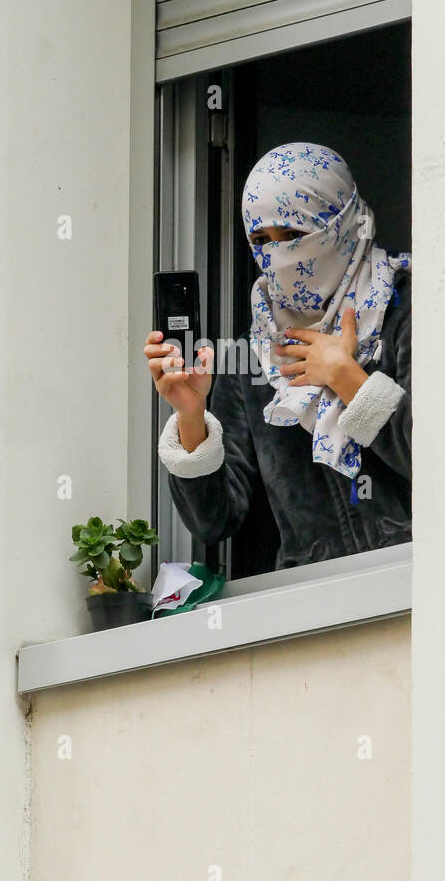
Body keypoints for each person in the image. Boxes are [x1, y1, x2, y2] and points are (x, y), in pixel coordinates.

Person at [144, 143, 411, 570]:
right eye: (260, 240)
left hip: (420, 586)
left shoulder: (406, 310)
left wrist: (348, 379)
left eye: (293, 235)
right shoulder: (255, 353)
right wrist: (192, 416)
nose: (278, 255)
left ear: (341, 223)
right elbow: (214, 521)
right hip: (311, 610)